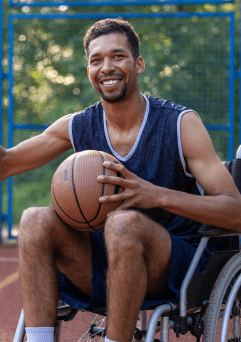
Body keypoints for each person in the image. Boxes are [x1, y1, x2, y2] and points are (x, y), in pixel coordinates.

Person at [1, 18, 241, 342]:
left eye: (118, 56)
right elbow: (6, 164)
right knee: (33, 219)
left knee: (123, 223)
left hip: (174, 267)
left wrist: (155, 195)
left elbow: (235, 212)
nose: (107, 67)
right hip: (106, 265)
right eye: (96, 60)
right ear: (88, 70)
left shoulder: (180, 124)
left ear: (138, 64)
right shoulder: (78, 125)